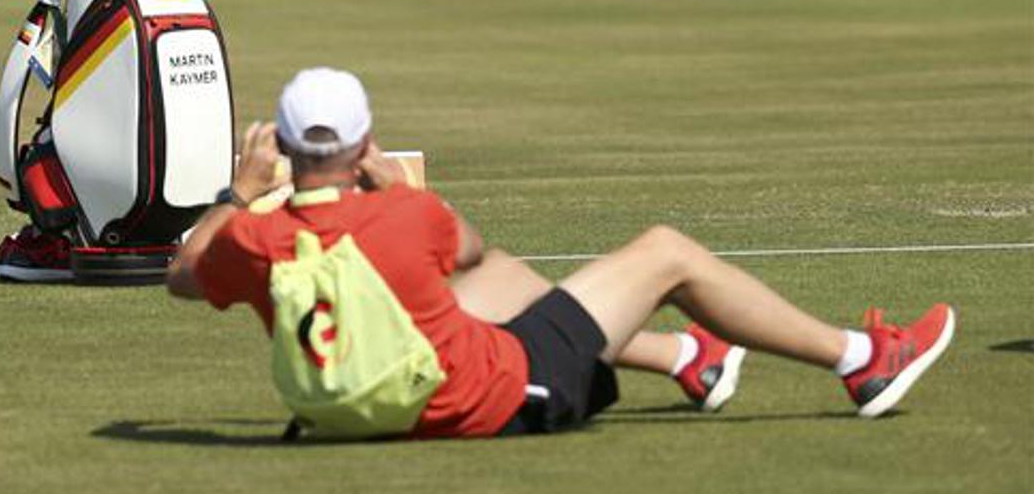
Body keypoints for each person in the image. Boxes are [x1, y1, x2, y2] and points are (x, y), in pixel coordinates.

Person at [168, 68, 955, 437]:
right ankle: (861, 359)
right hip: (498, 398)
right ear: (364, 140)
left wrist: (240, 192)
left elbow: (182, 275)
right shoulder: (407, 213)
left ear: (279, 146)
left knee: (502, 279)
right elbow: (462, 246)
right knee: (665, 252)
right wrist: (392, 187)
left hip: (351, 410)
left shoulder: (252, 238)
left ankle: (687, 357)